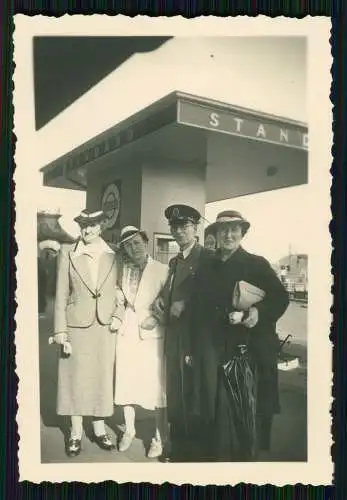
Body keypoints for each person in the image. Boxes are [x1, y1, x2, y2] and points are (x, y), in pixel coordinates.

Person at [190, 210, 290, 461]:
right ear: (215, 234)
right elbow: (198, 305)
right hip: (215, 347)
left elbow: (280, 297)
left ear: (242, 233)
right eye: (223, 230)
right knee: (218, 411)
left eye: (234, 229)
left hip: (249, 350)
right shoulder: (207, 266)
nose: (228, 235)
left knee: (247, 413)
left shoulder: (256, 263)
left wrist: (254, 312)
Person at [53, 209, 125, 457]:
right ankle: (75, 432)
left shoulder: (114, 254)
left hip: (105, 326)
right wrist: (60, 329)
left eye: (92, 225)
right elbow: (61, 294)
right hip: (76, 325)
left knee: (102, 378)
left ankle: (99, 427)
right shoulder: (68, 254)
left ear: (101, 226)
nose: (87, 230)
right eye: (83, 225)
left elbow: (121, 292)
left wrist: (118, 315)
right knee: (75, 378)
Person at [157, 204, 210, 461]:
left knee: (193, 395)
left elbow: (213, 300)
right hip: (174, 339)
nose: (178, 231)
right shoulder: (175, 261)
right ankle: (178, 449)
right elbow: (172, 293)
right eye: (174, 227)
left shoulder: (207, 259)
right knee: (176, 394)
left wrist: (187, 305)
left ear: (196, 228)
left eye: (184, 226)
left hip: (194, 342)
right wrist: (162, 299)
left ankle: (191, 453)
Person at [114, 226, 168, 459]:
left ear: (146, 242)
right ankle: (129, 430)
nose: (132, 248)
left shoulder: (163, 270)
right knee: (126, 382)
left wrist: (156, 317)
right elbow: (120, 296)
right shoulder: (121, 269)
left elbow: (169, 300)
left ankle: (158, 437)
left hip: (152, 332)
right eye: (127, 245)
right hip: (127, 330)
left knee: (156, 385)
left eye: (136, 242)